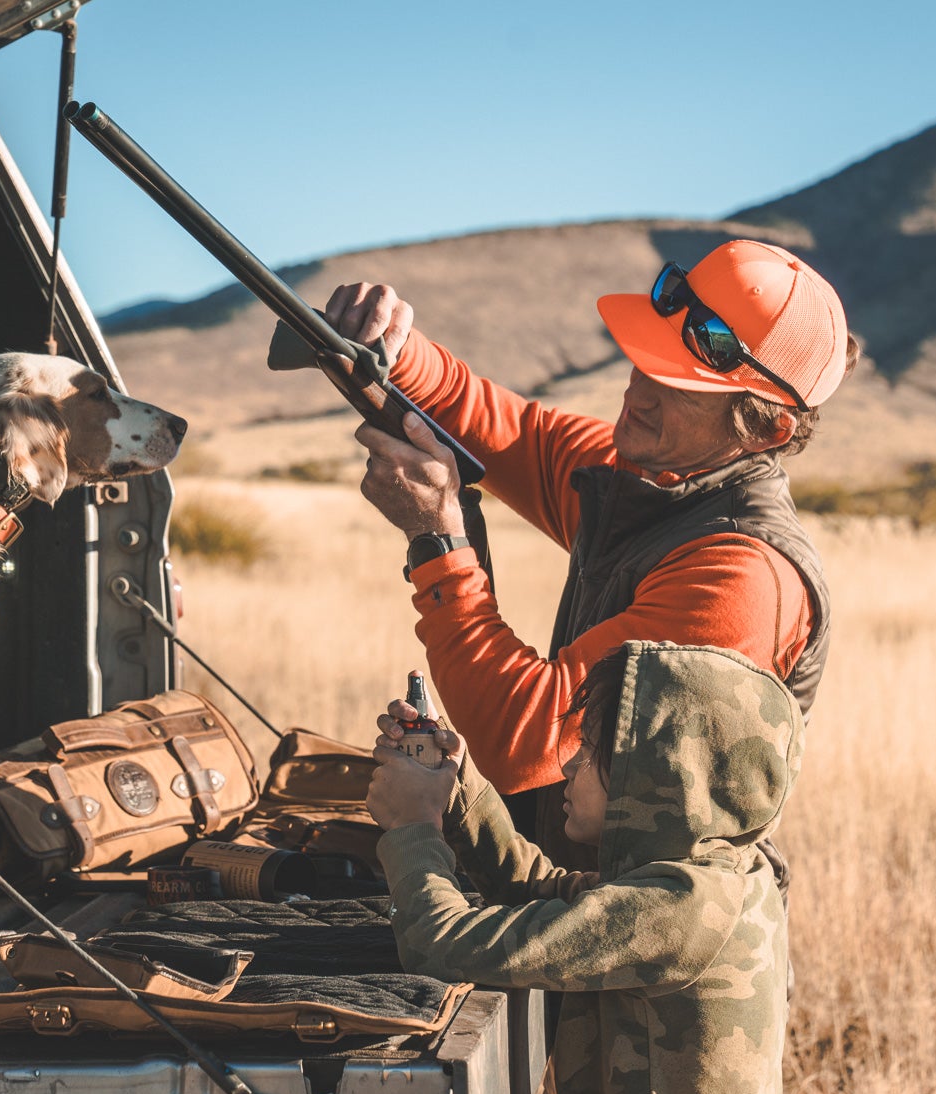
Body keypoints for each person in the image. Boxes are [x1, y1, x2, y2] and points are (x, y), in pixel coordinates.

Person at [325, 239, 855, 864]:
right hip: (564, 895)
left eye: (680, 386)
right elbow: (504, 428)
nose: (639, 390)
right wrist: (389, 346)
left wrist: (438, 539)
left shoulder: (742, 576)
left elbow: (523, 740)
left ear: (766, 429)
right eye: (647, 357)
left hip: (643, 921)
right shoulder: (644, 470)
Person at [366, 640, 806, 1094]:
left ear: (663, 777)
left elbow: (442, 943)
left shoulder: (683, 907)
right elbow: (551, 895)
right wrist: (457, 788)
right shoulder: (717, 871)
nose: (569, 763)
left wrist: (412, 827)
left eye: (596, 752)